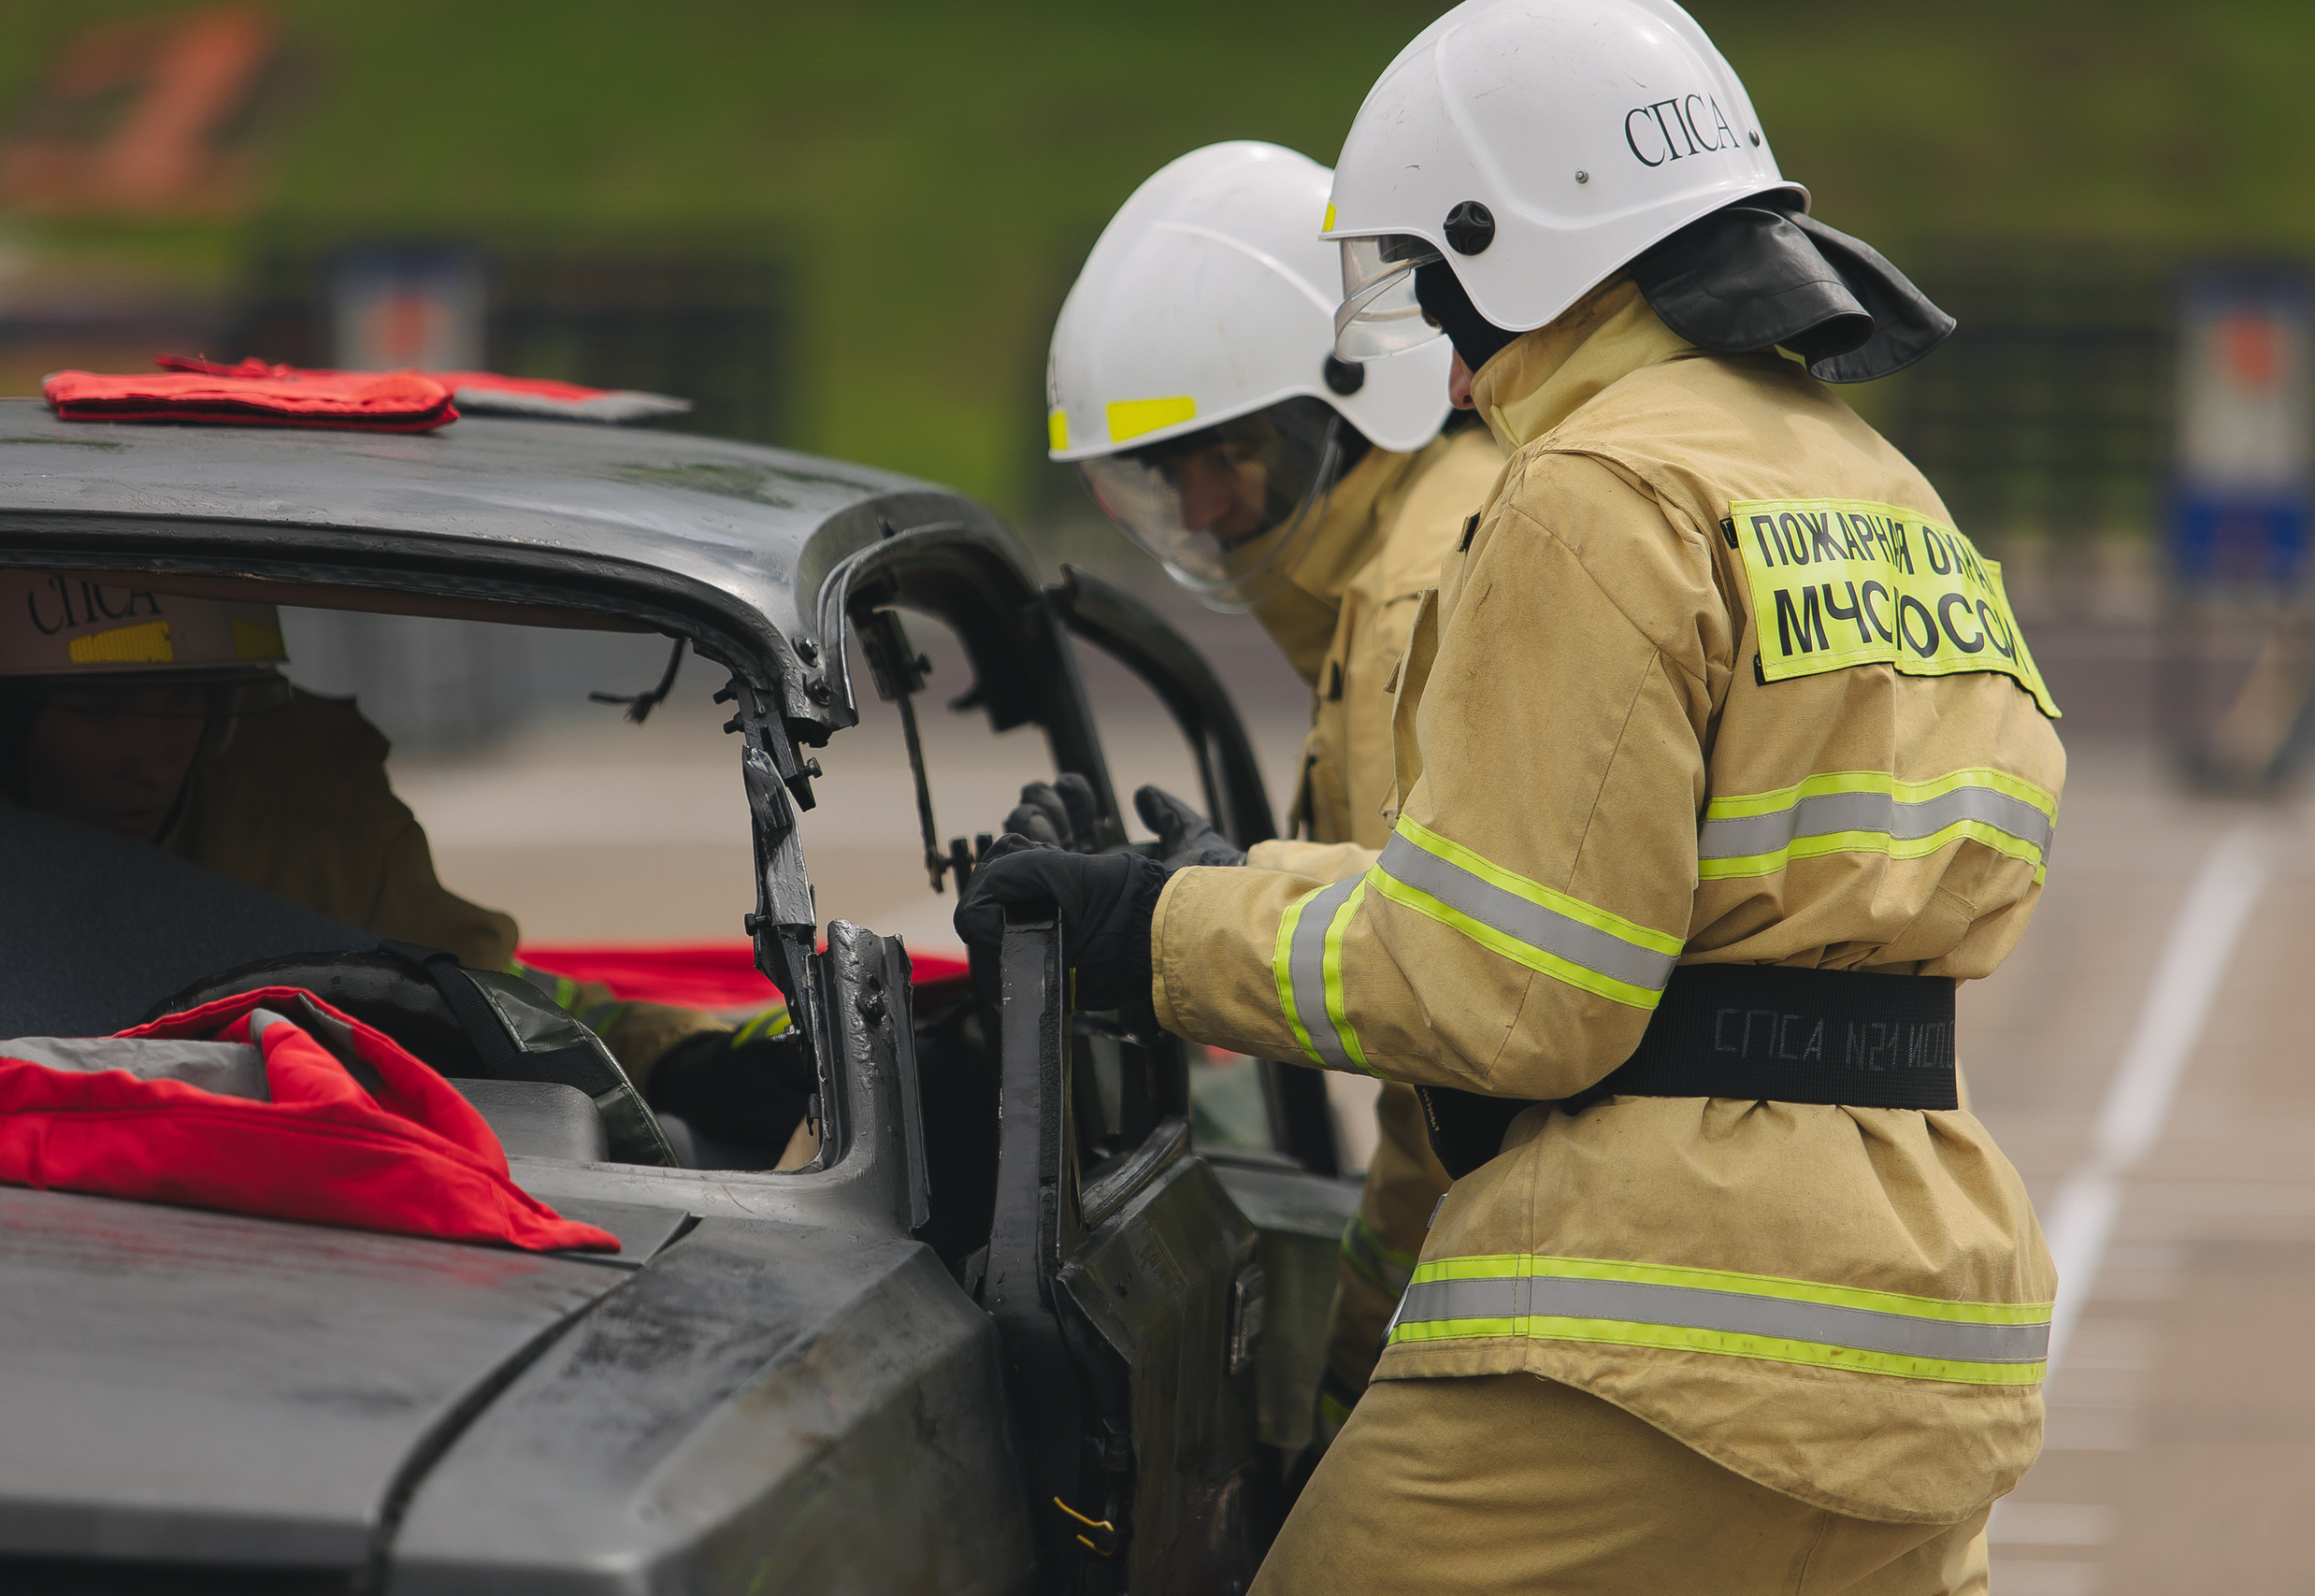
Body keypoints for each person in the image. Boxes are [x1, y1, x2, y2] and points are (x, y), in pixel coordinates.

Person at [960, 3, 2065, 1589]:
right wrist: (1248, 882)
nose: (1453, 366)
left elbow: (1509, 986)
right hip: (1931, 1318)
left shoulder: (1594, 492)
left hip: (1661, 1322)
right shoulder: (1880, 487)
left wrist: (1159, 930)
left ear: (1517, 241)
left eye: (1439, 287)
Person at [1038, 139, 1503, 1444]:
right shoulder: (1431, 537)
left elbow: (1447, 1042)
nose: (1201, 506)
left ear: (1355, 403)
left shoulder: (1408, 601)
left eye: (1233, 451)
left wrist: (1351, 1379)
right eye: (1165, 473)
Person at [0, 573, 799, 1155]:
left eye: (184, 704)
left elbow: (493, 1000)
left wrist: (682, 1060)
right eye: (101, 712)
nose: (151, 758)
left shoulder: (316, 827)